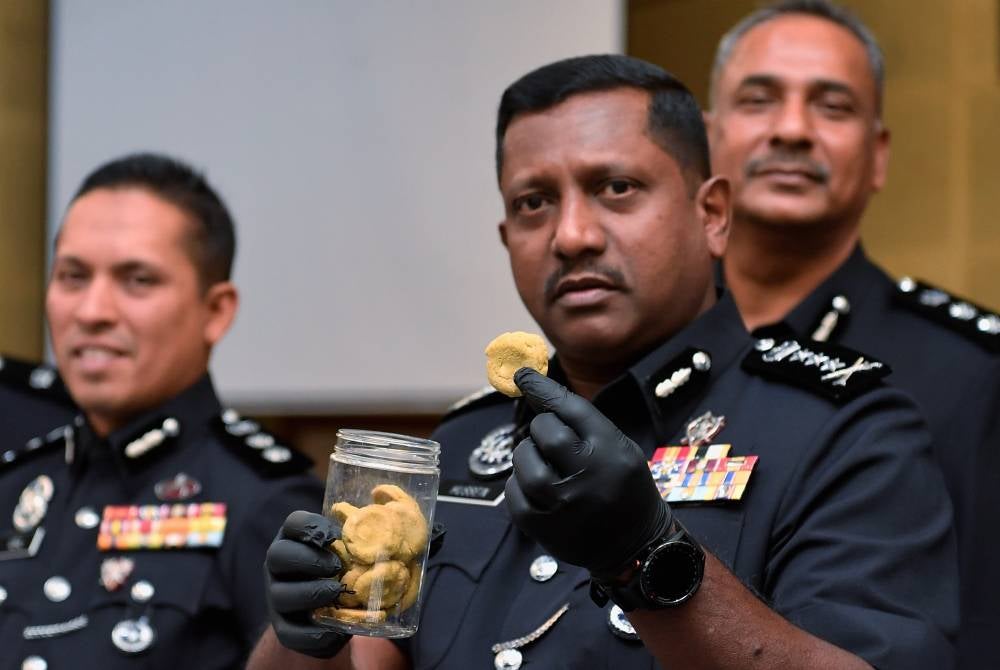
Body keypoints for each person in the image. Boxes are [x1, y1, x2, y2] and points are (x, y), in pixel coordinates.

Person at [248, 55, 957, 669]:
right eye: (534, 203)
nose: (572, 235)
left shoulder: (842, 428)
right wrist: (306, 639)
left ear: (711, 214)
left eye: (616, 188)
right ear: (506, 235)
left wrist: (646, 556)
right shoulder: (463, 443)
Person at [703, 2, 1000, 665]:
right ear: (707, 140)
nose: (792, 130)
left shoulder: (970, 374)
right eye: (759, 101)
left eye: (832, 107)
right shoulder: (645, 350)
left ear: (878, 157)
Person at [0, 153, 324, 669]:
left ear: (215, 311)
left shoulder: (265, 500)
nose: (92, 311)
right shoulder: (17, 483)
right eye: (72, 276)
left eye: (138, 280)